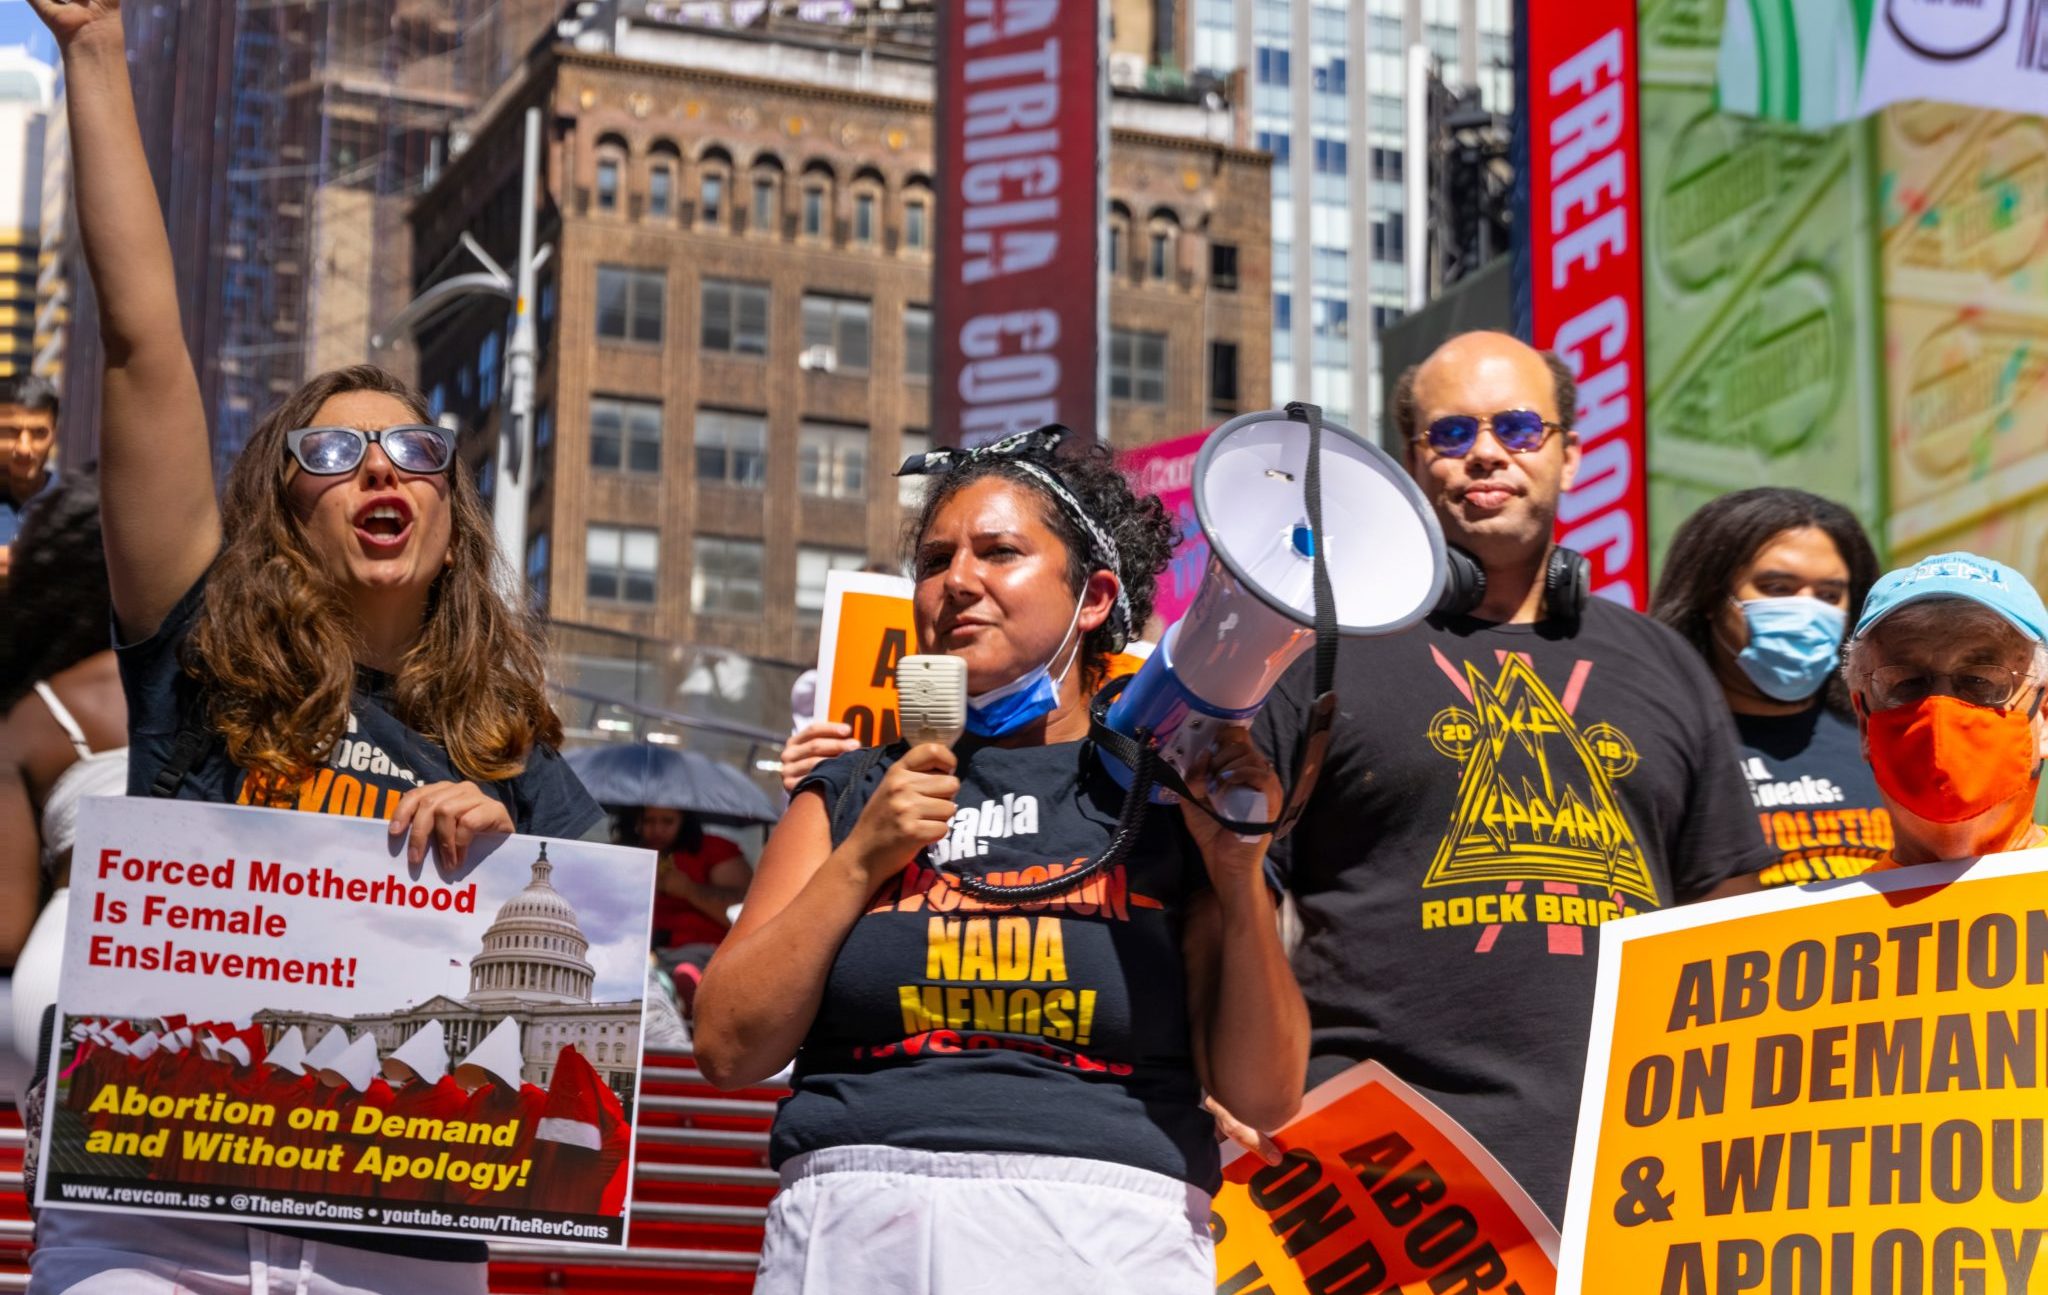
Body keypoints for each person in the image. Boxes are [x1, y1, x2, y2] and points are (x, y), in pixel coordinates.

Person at [24, 0, 603, 1287]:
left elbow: (603, 977)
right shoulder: (201, 664)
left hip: (390, 1243)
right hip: (160, 1220)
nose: (378, 470)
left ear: (451, 513)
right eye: (332, 452)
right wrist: (96, 48)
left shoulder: (513, 750)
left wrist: (516, 861)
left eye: (414, 449)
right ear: (283, 507)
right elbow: (140, 347)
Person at [694, 428, 1307, 1293]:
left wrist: (1239, 875)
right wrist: (863, 855)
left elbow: (1264, 1095)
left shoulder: (1173, 803)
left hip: (1106, 1240)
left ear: (1093, 598)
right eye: (937, 559)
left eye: (1000, 552)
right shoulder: (848, 793)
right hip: (859, 1238)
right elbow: (727, 1045)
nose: (958, 582)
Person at [1251, 331, 1776, 1223]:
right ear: (1413, 462)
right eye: (1450, 433)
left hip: (1632, 1189)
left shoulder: (1666, 665)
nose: (1486, 452)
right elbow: (1235, 905)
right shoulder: (1315, 657)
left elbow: (1729, 926)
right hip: (1381, 1200)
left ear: (1570, 452)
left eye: (1520, 426)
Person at [1650, 488, 1887, 886]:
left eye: (1829, 595)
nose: (1807, 611)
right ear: (1710, 597)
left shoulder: (1884, 742)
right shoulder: (1659, 749)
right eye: (1777, 589)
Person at [0, 471, 127, 1096]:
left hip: (62, 975)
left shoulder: (34, 717)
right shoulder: (244, 690)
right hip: (213, 956)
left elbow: (5, 927)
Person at [1841, 552, 2048, 869]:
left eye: (1979, 680)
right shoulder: (1818, 917)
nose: (1939, 709)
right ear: (1864, 724)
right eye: (1907, 683)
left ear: (2044, 717)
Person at [640, 805, 752, 1011]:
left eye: (667, 821)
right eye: (649, 821)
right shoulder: (630, 850)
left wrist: (688, 890)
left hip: (701, 953)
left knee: (686, 966)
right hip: (644, 952)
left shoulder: (716, 849)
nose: (657, 829)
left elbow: (744, 911)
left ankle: (692, 988)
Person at [0, 374, 60, 585]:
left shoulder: (81, 508)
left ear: (54, 435)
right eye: (12, 432)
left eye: (38, 433)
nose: (24, 448)